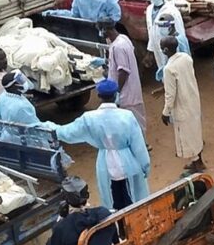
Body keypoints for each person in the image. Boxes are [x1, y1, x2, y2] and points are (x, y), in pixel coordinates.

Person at [53, 80, 151, 210]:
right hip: (128, 164)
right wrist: (145, 166)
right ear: (116, 94)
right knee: (133, 200)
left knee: (112, 201)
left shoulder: (89, 119)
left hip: (105, 165)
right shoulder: (126, 116)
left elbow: (67, 132)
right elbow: (138, 146)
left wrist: (47, 127)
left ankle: (117, 226)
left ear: (99, 96)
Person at [161, 37, 205, 174]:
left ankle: (197, 165)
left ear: (165, 50)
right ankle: (198, 161)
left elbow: (170, 94)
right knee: (195, 131)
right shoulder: (186, 58)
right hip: (193, 100)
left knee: (186, 135)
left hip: (181, 106)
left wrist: (165, 112)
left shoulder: (169, 69)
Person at [98, 20, 146, 132]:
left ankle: (142, 147)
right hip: (133, 91)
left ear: (105, 30)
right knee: (137, 123)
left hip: (127, 95)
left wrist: (117, 92)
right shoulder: (123, 38)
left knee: (132, 127)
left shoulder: (118, 47)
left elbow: (123, 71)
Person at [145, 0, 187, 73]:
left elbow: (179, 32)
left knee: (175, 70)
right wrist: (150, 51)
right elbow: (151, 31)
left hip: (171, 48)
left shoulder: (171, 11)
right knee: (163, 70)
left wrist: (178, 51)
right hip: (158, 47)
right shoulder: (149, 9)